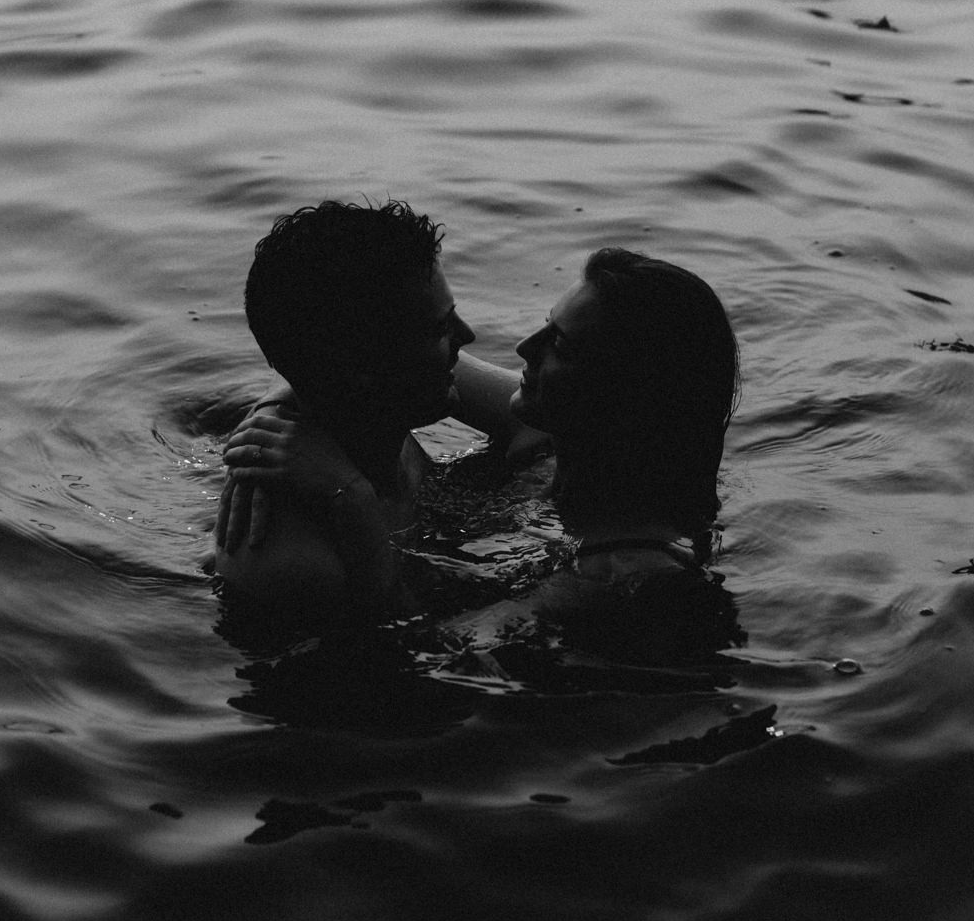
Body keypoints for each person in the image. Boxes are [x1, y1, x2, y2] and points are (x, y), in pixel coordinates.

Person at [220, 245, 743, 663]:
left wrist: (350, 498)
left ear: (618, 396)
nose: (523, 348)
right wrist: (276, 409)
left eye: (558, 344)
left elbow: (425, 651)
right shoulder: (554, 448)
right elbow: (343, 354)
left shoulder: (618, 569)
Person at [209, 198, 475, 630]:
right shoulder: (294, 566)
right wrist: (351, 499)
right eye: (440, 328)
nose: (469, 337)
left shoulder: (378, 418)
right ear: (365, 370)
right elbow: (400, 677)